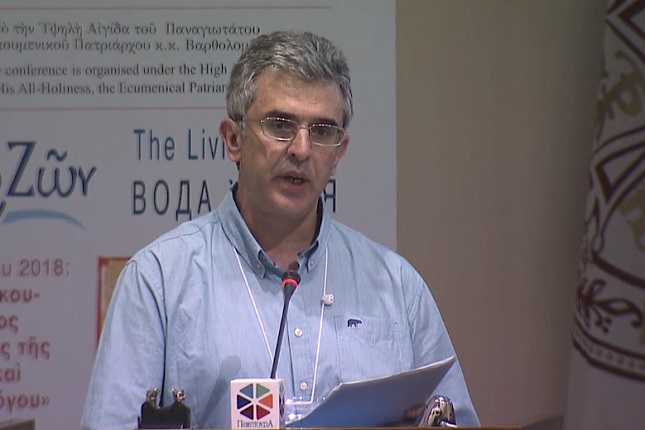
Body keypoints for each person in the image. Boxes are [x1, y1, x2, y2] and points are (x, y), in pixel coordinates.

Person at [81, 30, 479, 429]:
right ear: (233, 139)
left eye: (322, 131)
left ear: (339, 154)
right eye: (281, 125)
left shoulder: (397, 288)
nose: (301, 150)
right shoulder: (159, 281)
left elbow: (454, 418)